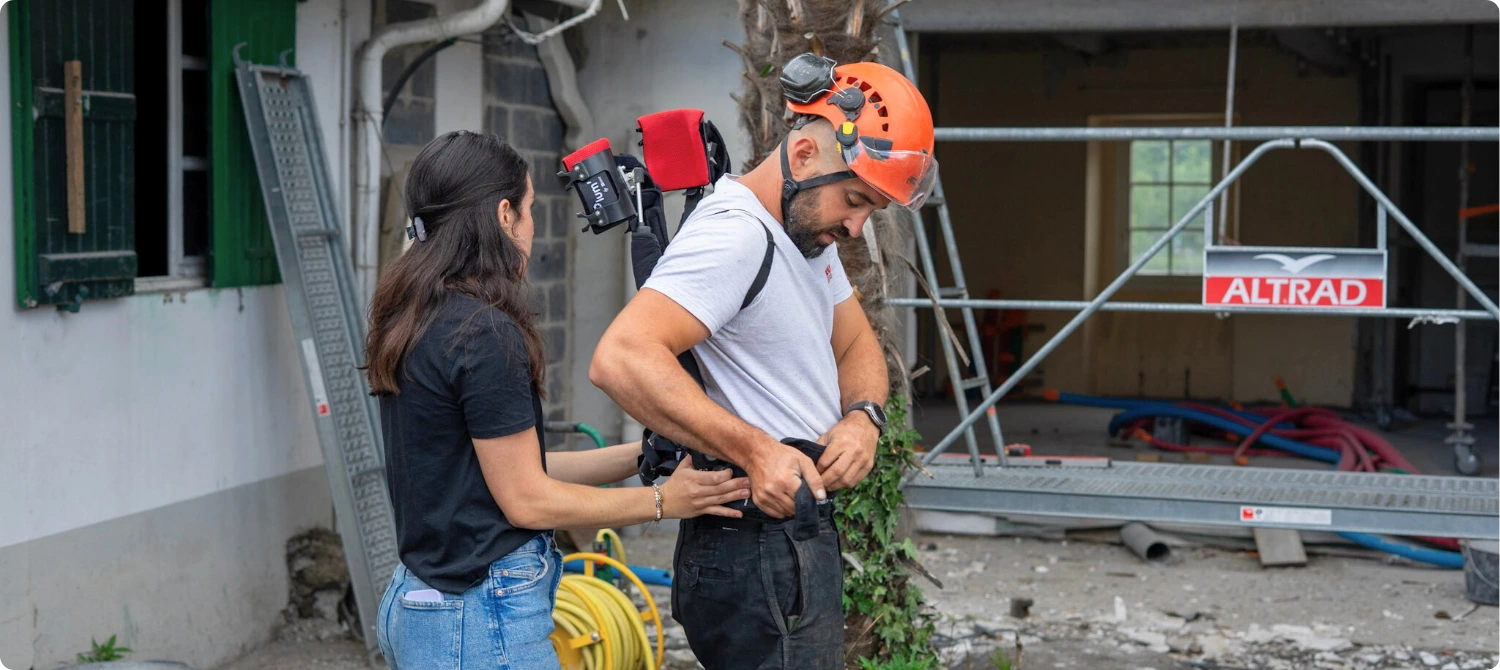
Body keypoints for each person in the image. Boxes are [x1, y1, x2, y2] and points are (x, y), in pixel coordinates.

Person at [589, 58, 937, 669]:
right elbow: (622, 357)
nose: (857, 227)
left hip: (788, 538)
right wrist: (754, 449)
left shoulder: (802, 237)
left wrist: (863, 417)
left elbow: (857, 344)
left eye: (871, 211)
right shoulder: (737, 236)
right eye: (854, 200)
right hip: (753, 546)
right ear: (803, 155)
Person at [364, 130, 751, 670]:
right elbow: (527, 500)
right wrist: (665, 503)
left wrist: (642, 458)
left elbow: (510, 472)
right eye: (530, 209)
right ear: (503, 216)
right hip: (481, 619)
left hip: (421, 606)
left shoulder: (413, 316)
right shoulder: (485, 333)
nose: (531, 226)